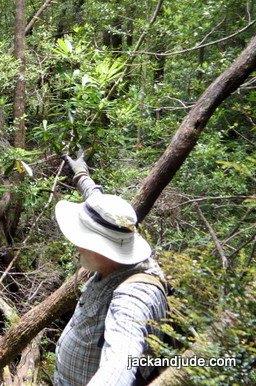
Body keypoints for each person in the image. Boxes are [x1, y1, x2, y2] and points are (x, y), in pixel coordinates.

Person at [53, 151, 169, 386]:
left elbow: (121, 361)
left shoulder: (135, 295)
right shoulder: (115, 241)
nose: (75, 245)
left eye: (82, 239)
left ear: (104, 247)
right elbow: (96, 200)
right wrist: (81, 173)